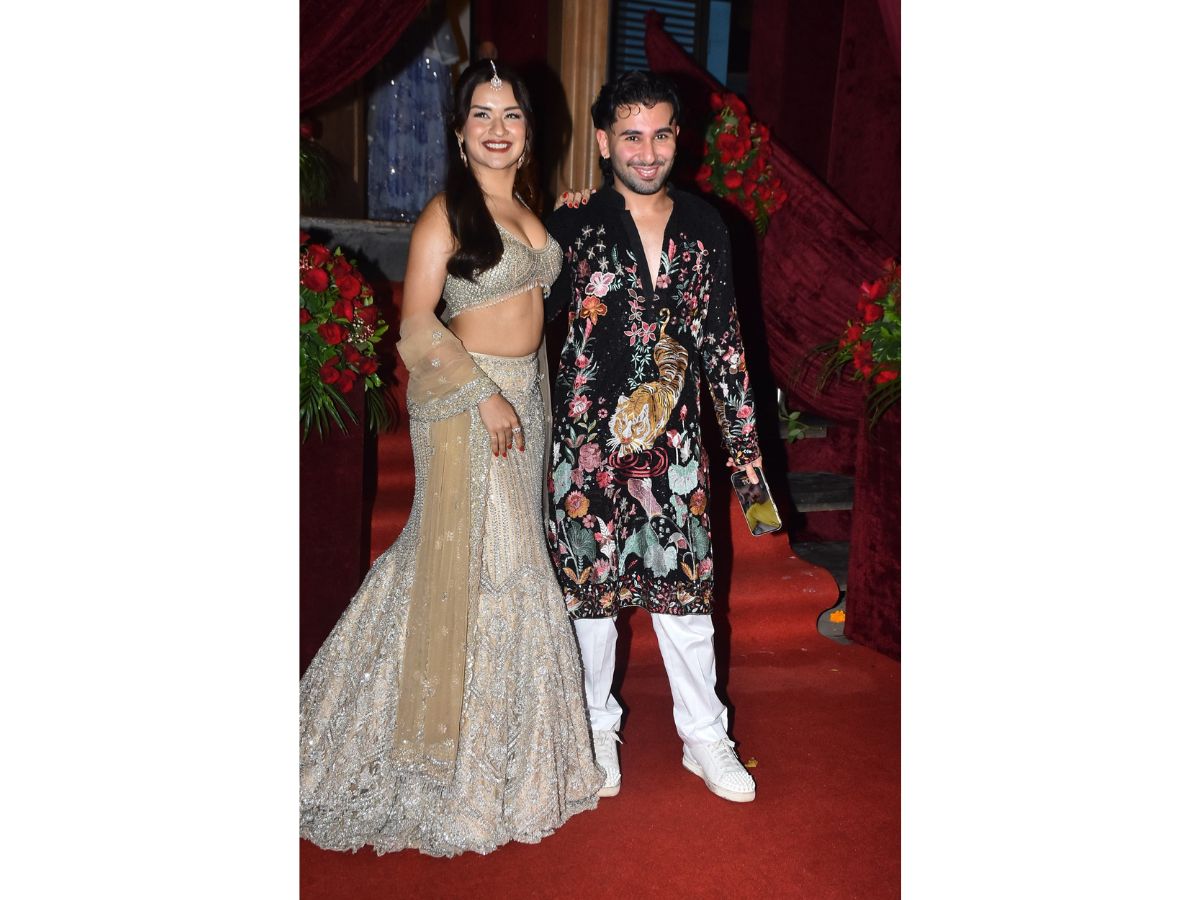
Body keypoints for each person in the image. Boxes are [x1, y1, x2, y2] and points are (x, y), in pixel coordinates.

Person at [300, 59, 604, 858]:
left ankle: (504, 759)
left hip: (526, 402)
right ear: (459, 131)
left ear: (528, 132)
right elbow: (415, 322)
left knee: (511, 561)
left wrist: (576, 214)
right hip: (470, 404)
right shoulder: (447, 212)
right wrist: (482, 394)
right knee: (471, 563)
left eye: (511, 115)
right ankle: (437, 760)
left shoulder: (531, 210)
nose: (497, 129)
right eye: (482, 115)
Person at [544, 71, 764, 804]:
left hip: (677, 453)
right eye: (631, 136)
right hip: (586, 448)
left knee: (687, 602)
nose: (647, 150)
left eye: (660, 134)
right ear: (604, 141)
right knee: (590, 605)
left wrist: (748, 468)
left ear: (678, 139)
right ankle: (593, 731)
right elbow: (528, 324)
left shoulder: (707, 226)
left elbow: (725, 347)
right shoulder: (571, 225)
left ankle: (705, 738)